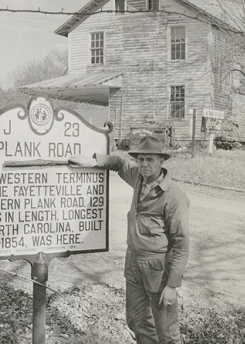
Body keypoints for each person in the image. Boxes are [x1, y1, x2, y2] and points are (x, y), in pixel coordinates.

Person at [69, 136, 190, 344]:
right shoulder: (138, 177)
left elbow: (181, 242)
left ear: (161, 161)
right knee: (137, 321)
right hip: (133, 261)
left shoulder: (173, 196)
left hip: (157, 270)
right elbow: (119, 163)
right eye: (141, 159)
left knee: (167, 332)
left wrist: (172, 285)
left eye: (149, 160)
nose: (144, 164)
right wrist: (94, 161)